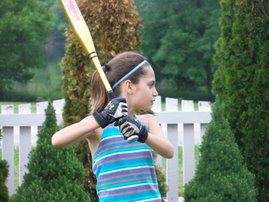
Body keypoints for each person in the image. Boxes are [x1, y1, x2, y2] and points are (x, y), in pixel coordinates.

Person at [52, 51, 174, 202]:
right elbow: (56, 140)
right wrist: (102, 117)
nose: (155, 92)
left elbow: (169, 152)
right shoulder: (99, 127)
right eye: (151, 85)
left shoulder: (147, 121)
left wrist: (144, 134)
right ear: (129, 86)